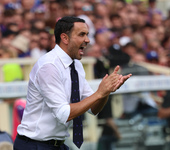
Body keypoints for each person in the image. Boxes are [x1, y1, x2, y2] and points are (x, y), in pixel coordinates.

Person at [13, 16, 131, 150]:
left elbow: (93, 109)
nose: (87, 40)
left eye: (87, 34)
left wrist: (106, 92)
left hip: (56, 144)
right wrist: (99, 93)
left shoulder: (76, 65)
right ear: (65, 38)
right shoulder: (49, 66)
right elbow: (64, 114)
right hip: (34, 145)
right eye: (82, 34)